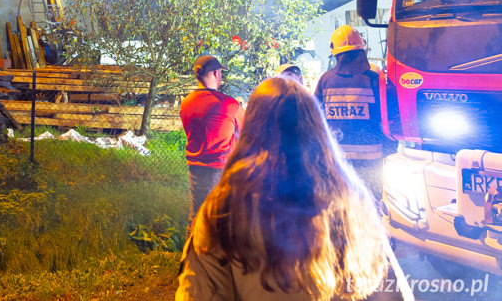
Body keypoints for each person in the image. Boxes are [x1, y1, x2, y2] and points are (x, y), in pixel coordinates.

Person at [177, 78, 413, 301]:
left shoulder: (224, 209)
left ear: (251, 132)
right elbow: (389, 288)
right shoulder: (350, 202)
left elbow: (198, 292)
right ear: (317, 130)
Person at [314, 25, 394, 198]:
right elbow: (389, 116)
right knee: (370, 208)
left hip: (338, 160)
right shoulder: (375, 79)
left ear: (335, 52)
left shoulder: (325, 80)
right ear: (361, 51)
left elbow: (315, 120)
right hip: (371, 161)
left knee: (341, 207)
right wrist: (390, 150)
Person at [180, 55, 244, 229]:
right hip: (221, 169)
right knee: (222, 219)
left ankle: (190, 254)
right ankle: (218, 255)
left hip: (195, 167)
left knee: (196, 216)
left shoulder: (186, 102)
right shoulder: (229, 105)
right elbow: (246, 132)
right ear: (216, 73)